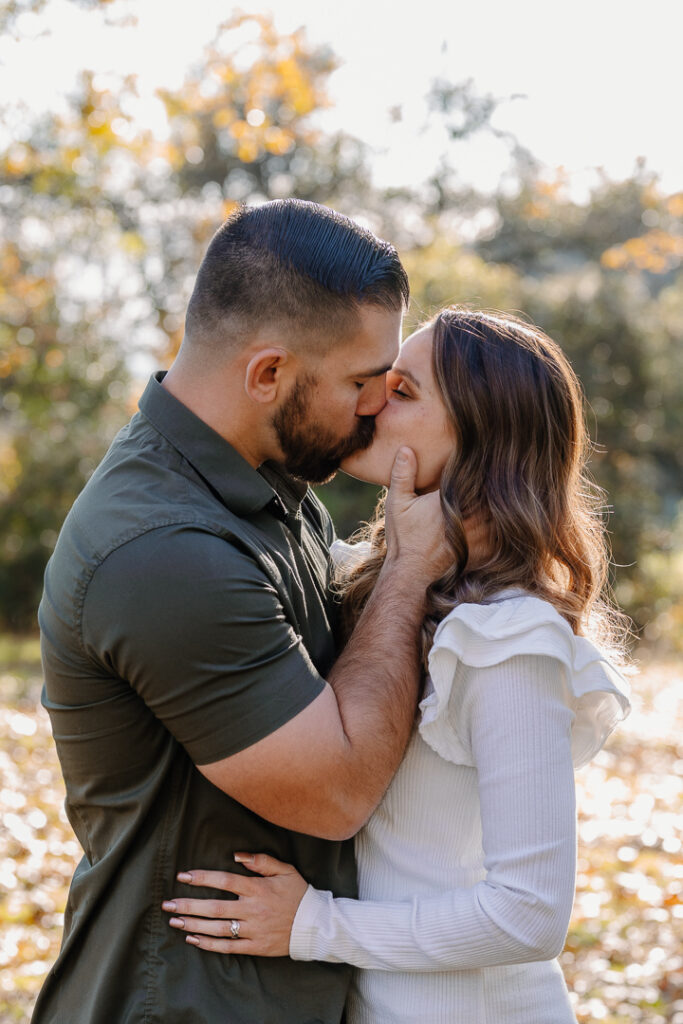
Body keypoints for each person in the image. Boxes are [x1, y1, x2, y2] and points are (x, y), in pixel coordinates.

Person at [33, 200, 456, 1024]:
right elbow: (334, 794)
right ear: (267, 374)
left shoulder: (273, 488)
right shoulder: (161, 549)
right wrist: (408, 570)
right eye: (361, 383)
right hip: (179, 1003)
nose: (374, 406)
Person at [161, 308, 632, 1024]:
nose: (371, 401)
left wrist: (314, 926)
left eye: (404, 391)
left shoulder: (508, 641)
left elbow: (529, 915)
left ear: (482, 439)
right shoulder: (374, 583)